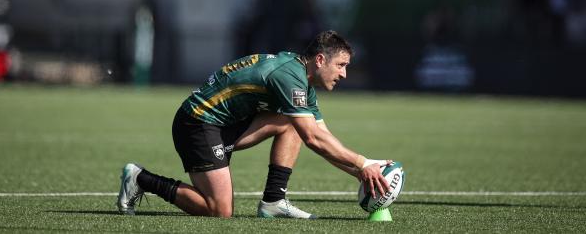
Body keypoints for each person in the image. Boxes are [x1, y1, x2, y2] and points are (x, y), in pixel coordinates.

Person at [116, 30, 392, 218]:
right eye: (341, 65)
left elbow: (322, 135)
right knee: (219, 210)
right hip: (197, 123)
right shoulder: (289, 77)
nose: (344, 74)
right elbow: (312, 138)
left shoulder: (302, 80)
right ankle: (140, 178)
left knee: (293, 120)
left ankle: (273, 202)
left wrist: (360, 171)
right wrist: (361, 163)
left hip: (224, 123)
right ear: (320, 60)